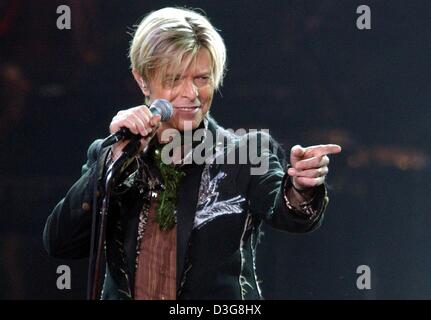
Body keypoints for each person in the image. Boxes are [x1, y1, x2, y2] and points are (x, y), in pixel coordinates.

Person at [43, 7, 341, 300]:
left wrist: (301, 188)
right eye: (174, 79)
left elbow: (290, 215)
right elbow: (61, 243)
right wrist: (115, 159)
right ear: (142, 79)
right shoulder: (113, 155)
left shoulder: (246, 153)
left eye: (201, 78)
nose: (191, 93)